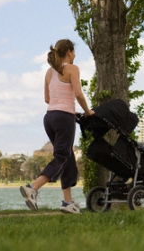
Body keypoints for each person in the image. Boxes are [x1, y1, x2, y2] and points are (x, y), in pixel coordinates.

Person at [20, 39, 93, 214]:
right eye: (74, 52)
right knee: (61, 157)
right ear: (68, 51)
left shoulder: (49, 72)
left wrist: (64, 107)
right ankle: (33, 187)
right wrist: (87, 111)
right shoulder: (72, 69)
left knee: (67, 159)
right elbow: (78, 94)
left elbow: (48, 99)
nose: (74, 56)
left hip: (50, 117)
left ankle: (67, 203)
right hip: (64, 118)